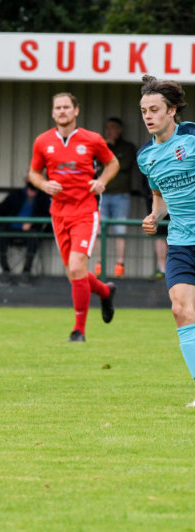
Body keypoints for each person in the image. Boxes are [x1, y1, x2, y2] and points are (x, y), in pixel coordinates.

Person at [28, 92, 119, 342]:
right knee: (73, 274)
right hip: (59, 212)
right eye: (58, 107)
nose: (62, 111)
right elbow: (34, 173)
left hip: (85, 210)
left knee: (78, 268)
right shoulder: (42, 141)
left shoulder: (92, 139)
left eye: (66, 107)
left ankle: (79, 331)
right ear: (52, 112)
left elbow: (112, 163)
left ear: (76, 110)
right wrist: (44, 184)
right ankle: (105, 291)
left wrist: (101, 181)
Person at [137, 75, 195, 408]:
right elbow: (160, 197)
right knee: (180, 310)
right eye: (144, 111)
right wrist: (154, 216)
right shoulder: (146, 156)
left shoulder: (192, 138)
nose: (148, 116)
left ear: (172, 110)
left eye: (155, 110)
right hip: (182, 243)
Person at [0, 171, 51, 284]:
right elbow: (2, 207)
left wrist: (32, 222)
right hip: (12, 229)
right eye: (29, 177)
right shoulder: (16, 194)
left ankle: (26, 272)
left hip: (30, 231)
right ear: (26, 180)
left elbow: (48, 214)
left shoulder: (43, 197)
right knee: (0, 233)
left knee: (33, 236)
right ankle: (5, 270)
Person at [94, 117, 137, 278]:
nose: (109, 131)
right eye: (107, 128)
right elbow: (94, 164)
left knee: (120, 230)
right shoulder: (100, 145)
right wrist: (105, 147)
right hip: (102, 194)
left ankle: (120, 265)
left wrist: (108, 155)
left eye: (113, 127)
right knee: (99, 230)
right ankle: (99, 263)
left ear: (120, 130)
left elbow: (122, 165)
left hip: (121, 195)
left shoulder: (127, 147)